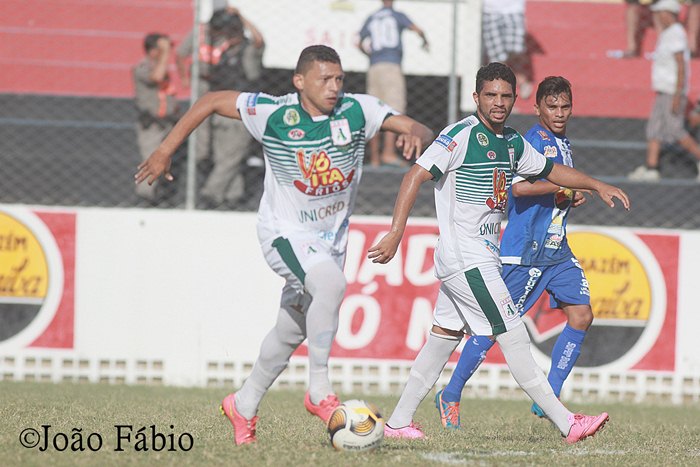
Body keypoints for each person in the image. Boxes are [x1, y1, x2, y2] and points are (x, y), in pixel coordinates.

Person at [135, 45, 433, 446]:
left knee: (291, 329)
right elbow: (208, 101)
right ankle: (319, 391)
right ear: (299, 82)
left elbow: (421, 130)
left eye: (339, 79)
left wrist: (417, 134)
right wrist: (164, 150)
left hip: (331, 241)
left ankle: (243, 403)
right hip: (285, 234)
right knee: (329, 285)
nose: (334, 87)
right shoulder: (273, 113)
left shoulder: (357, 110)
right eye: (324, 79)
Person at [367, 62, 630, 443]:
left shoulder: (512, 142)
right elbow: (415, 175)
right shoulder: (460, 135)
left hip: (479, 257)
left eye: (505, 96)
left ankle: (398, 422)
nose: (498, 102)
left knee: (442, 338)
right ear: (476, 98)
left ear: (514, 100)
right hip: (465, 257)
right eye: (490, 95)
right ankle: (567, 422)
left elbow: (552, 171)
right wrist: (395, 233)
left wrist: (597, 184)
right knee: (513, 334)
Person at [434, 76, 594, 429]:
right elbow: (517, 188)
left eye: (565, 106)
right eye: (551, 107)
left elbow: (553, 191)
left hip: (556, 251)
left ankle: (550, 396)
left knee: (581, 315)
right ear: (536, 108)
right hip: (525, 253)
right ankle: (451, 393)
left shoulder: (563, 142)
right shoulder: (531, 140)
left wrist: (569, 196)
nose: (559, 113)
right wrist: (562, 185)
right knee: (493, 329)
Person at [176, 7, 265, 207]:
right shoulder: (222, 53)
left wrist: (241, 16)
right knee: (223, 156)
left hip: (241, 110)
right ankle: (233, 196)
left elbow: (259, 40)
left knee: (232, 157)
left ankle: (210, 193)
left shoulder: (248, 50)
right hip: (221, 112)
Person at [629, 0, 700, 181]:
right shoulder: (668, 34)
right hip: (662, 90)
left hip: (671, 90)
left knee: (675, 129)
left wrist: (678, 94)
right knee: (654, 129)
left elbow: (681, 66)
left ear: (668, 13)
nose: (658, 16)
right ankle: (651, 167)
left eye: (660, 13)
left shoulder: (676, 33)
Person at [358, 0, 429, 167]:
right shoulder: (397, 15)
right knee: (393, 107)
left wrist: (368, 54)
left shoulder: (372, 17)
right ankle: (388, 153)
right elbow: (417, 29)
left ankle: (374, 158)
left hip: (374, 65)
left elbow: (359, 41)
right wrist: (424, 40)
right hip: (391, 64)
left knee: (374, 108)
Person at [132, 32, 180, 203]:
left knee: (166, 162)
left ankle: (159, 196)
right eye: (161, 50)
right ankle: (144, 197)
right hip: (152, 125)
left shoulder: (161, 68)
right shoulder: (143, 67)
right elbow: (156, 77)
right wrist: (165, 52)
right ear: (153, 51)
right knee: (150, 160)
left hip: (167, 124)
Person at [481, 0, 533, 99]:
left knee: (517, 50)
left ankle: (521, 80)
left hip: (514, 8)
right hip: (490, 9)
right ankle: (502, 87)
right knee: (496, 55)